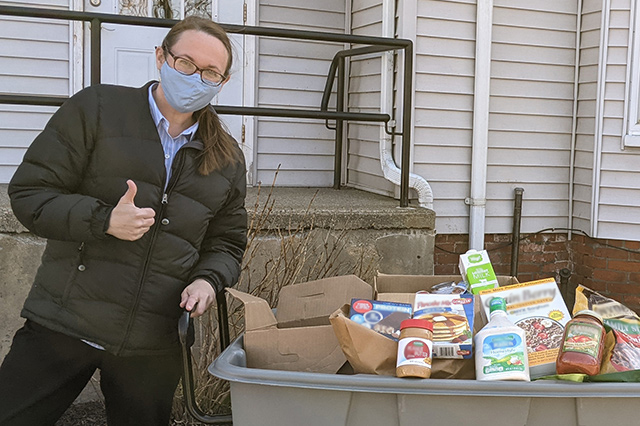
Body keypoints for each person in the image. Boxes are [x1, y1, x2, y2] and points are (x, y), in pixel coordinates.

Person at [0, 16, 247, 426]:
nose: (194, 77)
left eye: (209, 72)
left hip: (153, 341)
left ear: (220, 82)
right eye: (185, 62)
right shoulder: (97, 109)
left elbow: (227, 242)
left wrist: (208, 279)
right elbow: (30, 194)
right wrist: (103, 220)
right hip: (65, 319)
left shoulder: (226, 157)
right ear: (160, 57)